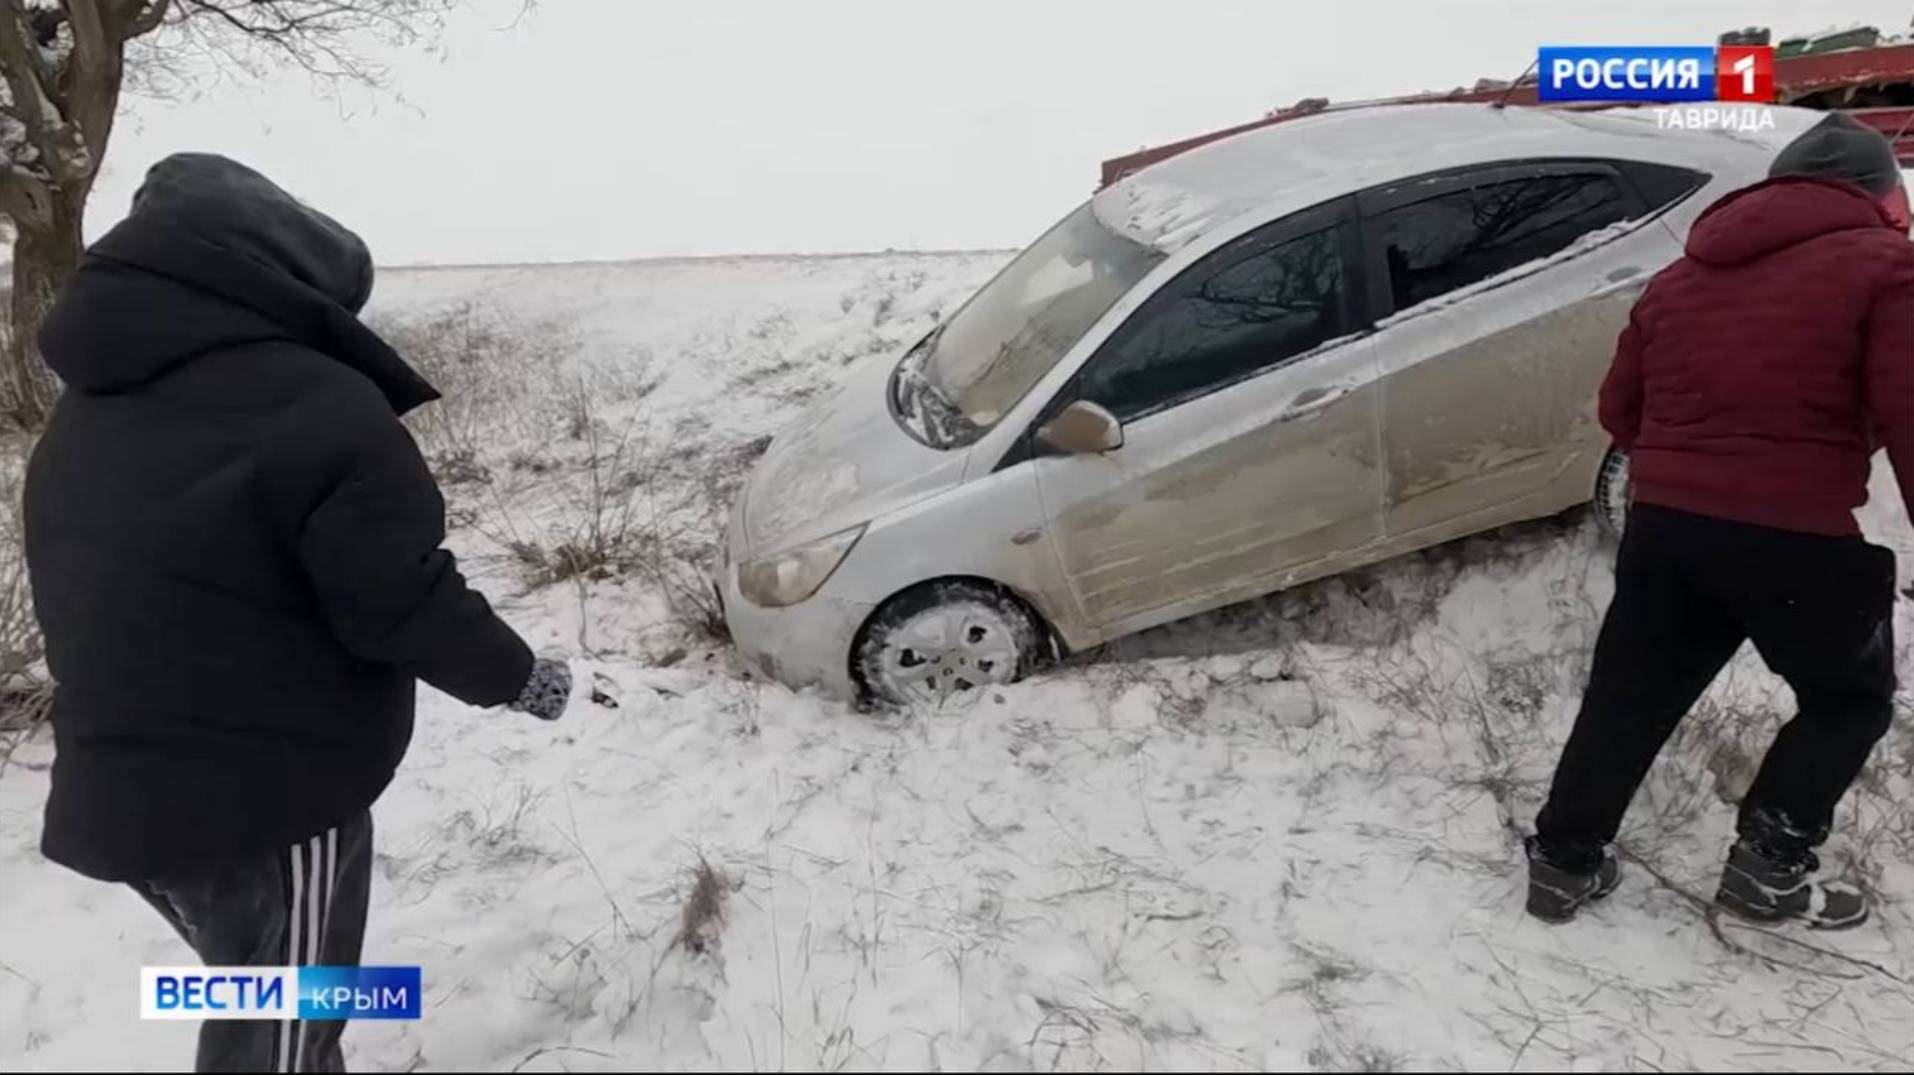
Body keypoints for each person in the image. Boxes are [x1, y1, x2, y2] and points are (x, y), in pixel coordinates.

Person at [24, 153, 574, 1071]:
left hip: (123, 796)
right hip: (266, 802)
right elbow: (399, 597)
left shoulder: (88, 409)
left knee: (254, 985)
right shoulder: (316, 404)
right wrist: (519, 676)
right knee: (281, 1027)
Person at [1526, 113, 1914, 930]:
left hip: (1665, 526)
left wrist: (1690, 467)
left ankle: (1562, 864)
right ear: (1881, 197)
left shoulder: (1678, 278)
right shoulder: (1888, 267)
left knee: (1628, 696)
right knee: (1848, 700)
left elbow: (1618, 410)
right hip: (1791, 533)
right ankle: (1767, 871)